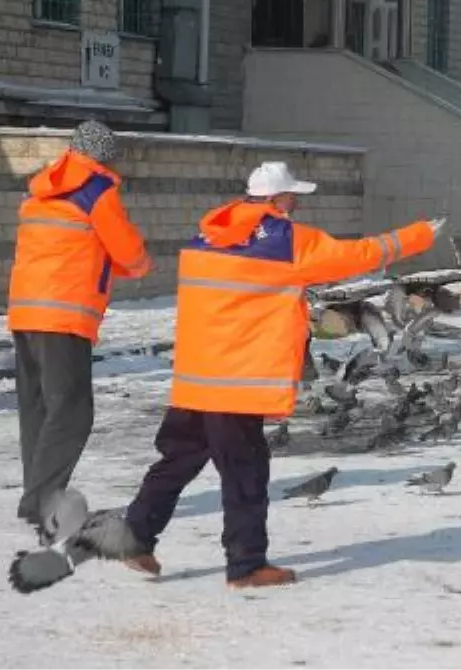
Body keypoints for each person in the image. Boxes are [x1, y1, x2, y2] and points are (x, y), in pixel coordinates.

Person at [120, 162, 441, 588]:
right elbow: (356, 255)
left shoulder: (207, 236)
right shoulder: (285, 241)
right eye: (292, 197)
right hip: (237, 380)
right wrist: (416, 236)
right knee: (246, 472)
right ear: (276, 200)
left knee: (177, 460)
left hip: (197, 376)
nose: (296, 204)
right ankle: (247, 565)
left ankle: (134, 537)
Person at [7, 120, 151, 542]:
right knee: (72, 413)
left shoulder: (40, 192)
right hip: (65, 316)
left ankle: (37, 497)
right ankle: (41, 505)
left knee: (38, 409)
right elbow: (125, 249)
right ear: (105, 155)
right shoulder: (97, 191)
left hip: (26, 314)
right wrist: (141, 265)